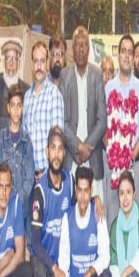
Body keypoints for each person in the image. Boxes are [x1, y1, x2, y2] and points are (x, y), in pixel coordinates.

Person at [55, 167, 112, 277]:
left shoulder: (98, 214)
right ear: (76, 191)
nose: (82, 196)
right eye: (79, 191)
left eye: (86, 191)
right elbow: (63, 263)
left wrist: (88, 274)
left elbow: (105, 256)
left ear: (91, 192)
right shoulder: (67, 218)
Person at [29, 127, 74, 277]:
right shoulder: (39, 190)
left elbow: (77, 216)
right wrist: (53, 267)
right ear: (47, 152)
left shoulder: (70, 181)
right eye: (52, 149)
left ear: (64, 153)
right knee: (37, 267)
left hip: (61, 261)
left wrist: (96, 202)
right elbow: (35, 242)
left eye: (60, 149)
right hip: (45, 258)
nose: (56, 154)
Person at [103, 35, 139, 227]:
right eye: (124, 51)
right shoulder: (108, 88)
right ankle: (113, 257)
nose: (128, 56)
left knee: (133, 218)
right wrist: (114, 154)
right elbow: (103, 130)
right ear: (118, 55)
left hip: (133, 164)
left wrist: (129, 158)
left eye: (131, 52)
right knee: (113, 216)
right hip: (111, 165)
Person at [60, 25, 107, 201]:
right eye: (78, 45)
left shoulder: (97, 74)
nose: (81, 49)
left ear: (89, 48)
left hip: (92, 156)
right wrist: (77, 147)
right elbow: (62, 120)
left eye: (84, 44)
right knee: (71, 209)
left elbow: (102, 120)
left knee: (97, 213)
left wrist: (87, 147)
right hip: (72, 158)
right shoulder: (65, 76)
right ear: (72, 49)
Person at [23, 41, 64, 180]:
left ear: (47, 64)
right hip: (29, 177)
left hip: (48, 176)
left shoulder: (54, 94)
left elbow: (57, 140)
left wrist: (48, 174)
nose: (39, 66)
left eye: (42, 61)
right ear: (32, 65)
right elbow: (24, 137)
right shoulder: (27, 97)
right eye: (36, 61)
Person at [0, 85, 35, 226]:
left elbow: (29, 179)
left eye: (19, 106)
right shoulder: (1, 138)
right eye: (13, 106)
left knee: (20, 246)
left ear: (22, 108)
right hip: (3, 206)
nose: (16, 110)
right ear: (8, 108)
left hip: (21, 209)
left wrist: (18, 200)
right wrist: (6, 198)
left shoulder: (27, 140)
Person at [0, 40, 29, 134]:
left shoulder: (26, 89)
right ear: (3, 62)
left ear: (19, 62)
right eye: (8, 58)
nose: (11, 63)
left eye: (14, 59)